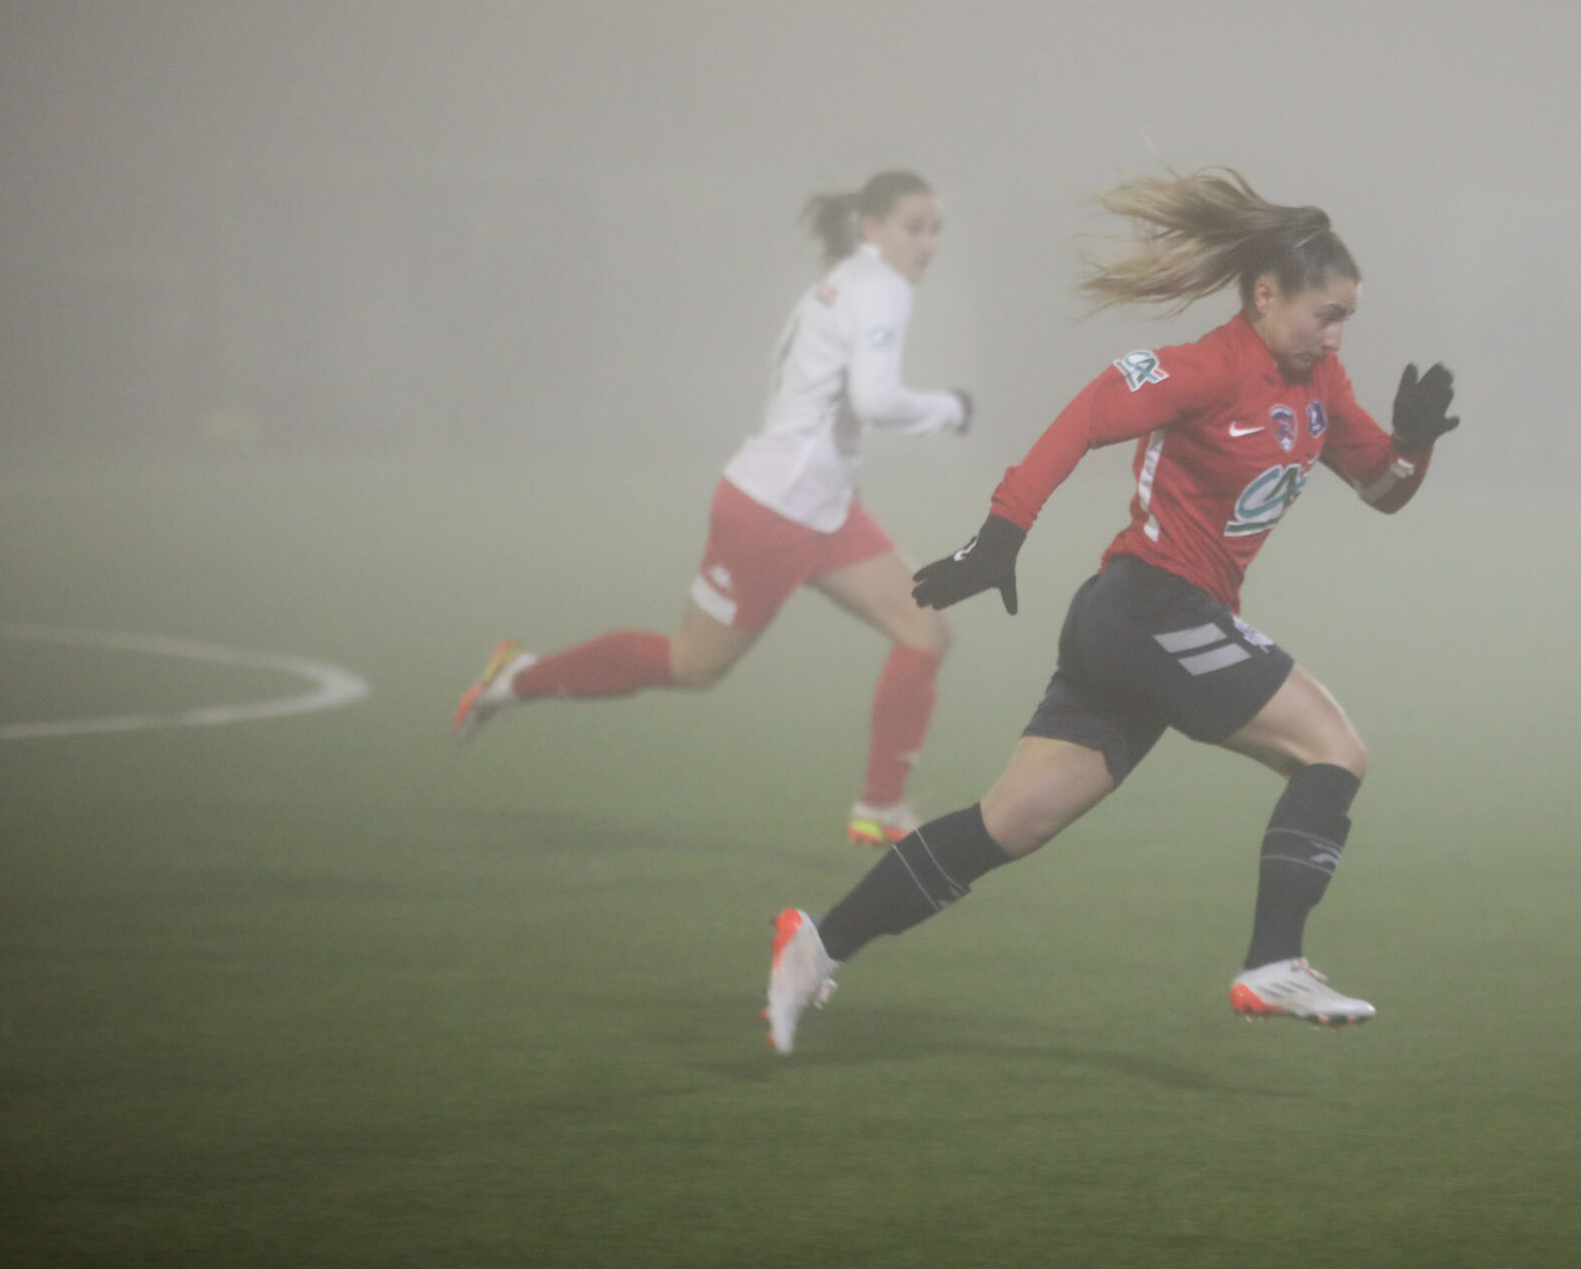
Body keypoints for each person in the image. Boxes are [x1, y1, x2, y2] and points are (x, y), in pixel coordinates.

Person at [761, 167, 1459, 1052]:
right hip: (1149, 606)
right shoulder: (1209, 367)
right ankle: (1272, 961)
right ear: (1265, 292)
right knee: (1334, 750)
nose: (1335, 332)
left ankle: (816, 947)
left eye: (1346, 317)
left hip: (1138, 626)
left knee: (1010, 822)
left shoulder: (1320, 383)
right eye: (1325, 313)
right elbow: (1091, 410)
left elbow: (1381, 487)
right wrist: (999, 536)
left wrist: (1415, 445)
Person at [453, 170, 971, 848]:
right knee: (693, 664)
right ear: (873, 227)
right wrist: (949, 409)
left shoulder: (850, 280)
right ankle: (520, 678)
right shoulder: (880, 287)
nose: (928, 241)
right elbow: (874, 400)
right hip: (773, 512)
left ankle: (880, 807)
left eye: (935, 228)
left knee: (926, 631)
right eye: (914, 226)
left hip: (823, 507)